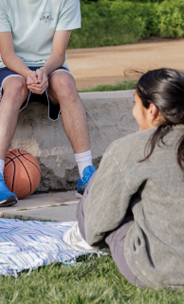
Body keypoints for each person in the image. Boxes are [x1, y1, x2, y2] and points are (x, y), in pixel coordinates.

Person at [0, 0, 94, 207]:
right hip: (11, 67)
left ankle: (87, 174)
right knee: (16, 86)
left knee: (66, 85)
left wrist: (43, 71)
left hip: (51, 66)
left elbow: (58, 53)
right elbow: (7, 53)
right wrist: (27, 74)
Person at [64, 68, 184, 288]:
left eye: (135, 103)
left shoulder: (131, 148)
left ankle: (77, 238)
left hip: (158, 271)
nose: (133, 112)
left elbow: (97, 225)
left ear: (152, 110)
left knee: (97, 189)